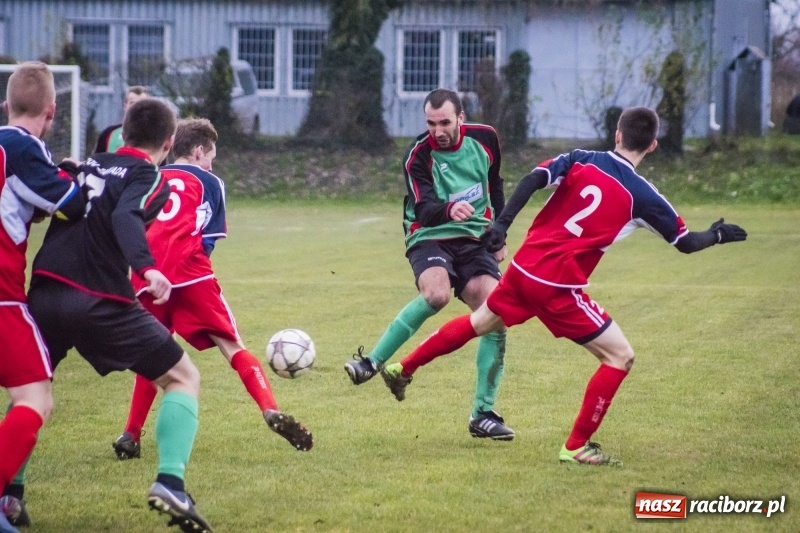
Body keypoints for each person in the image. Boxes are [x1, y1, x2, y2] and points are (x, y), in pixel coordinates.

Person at [381, 107, 747, 466]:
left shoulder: (580, 158)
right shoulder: (645, 196)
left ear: (617, 135)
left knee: (480, 323)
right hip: (557, 286)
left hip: (525, 268)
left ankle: (403, 368)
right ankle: (576, 446)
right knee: (620, 357)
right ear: (652, 146)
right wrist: (716, 234)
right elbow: (684, 241)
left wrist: (503, 225)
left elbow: (531, 180)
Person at [26, 98, 214, 531]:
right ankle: (171, 483)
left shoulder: (87, 165)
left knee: (32, 396)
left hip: (46, 292)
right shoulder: (147, 173)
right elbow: (128, 216)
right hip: (99, 300)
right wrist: (149, 267)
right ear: (169, 143)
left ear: (123, 132)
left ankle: (11, 494)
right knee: (184, 377)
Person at [111, 117, 312, 461]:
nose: (211, 164)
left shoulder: (149, 176)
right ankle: (269, 409)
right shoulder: (211, 183)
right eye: (210, 156)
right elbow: (208, 239)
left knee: (154, 355)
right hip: (191, 275)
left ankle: (130, 434)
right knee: (232, 347)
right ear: (200, 150)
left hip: (146, 277)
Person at [344, 88, 514, 440]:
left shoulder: (486, 140)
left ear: (461, 119)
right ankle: (372, 361)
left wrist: (499, 233)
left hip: (474, 238)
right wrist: (450, 209)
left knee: (495, 313)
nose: (438, 130)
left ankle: (483, 414)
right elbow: (423, 209)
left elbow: (495, 185)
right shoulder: (418, 155)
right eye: (431, 123)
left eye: (445, 122)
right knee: (436, 294)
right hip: (430, 232)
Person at [0, 61, 87, 533]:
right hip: (2, 299)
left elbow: (19, 204)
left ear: (5, 104)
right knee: (35, 399)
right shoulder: (21, 146)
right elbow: (72, 206)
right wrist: (72, 177)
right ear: (52, 112)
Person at [92, 85, 149, 154]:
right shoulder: (109, 133)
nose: (137, 108)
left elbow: (161, 164)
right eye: (132, 103)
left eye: (141, 104)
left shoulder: (156, 135)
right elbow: (95, 161)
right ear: (125, 106)